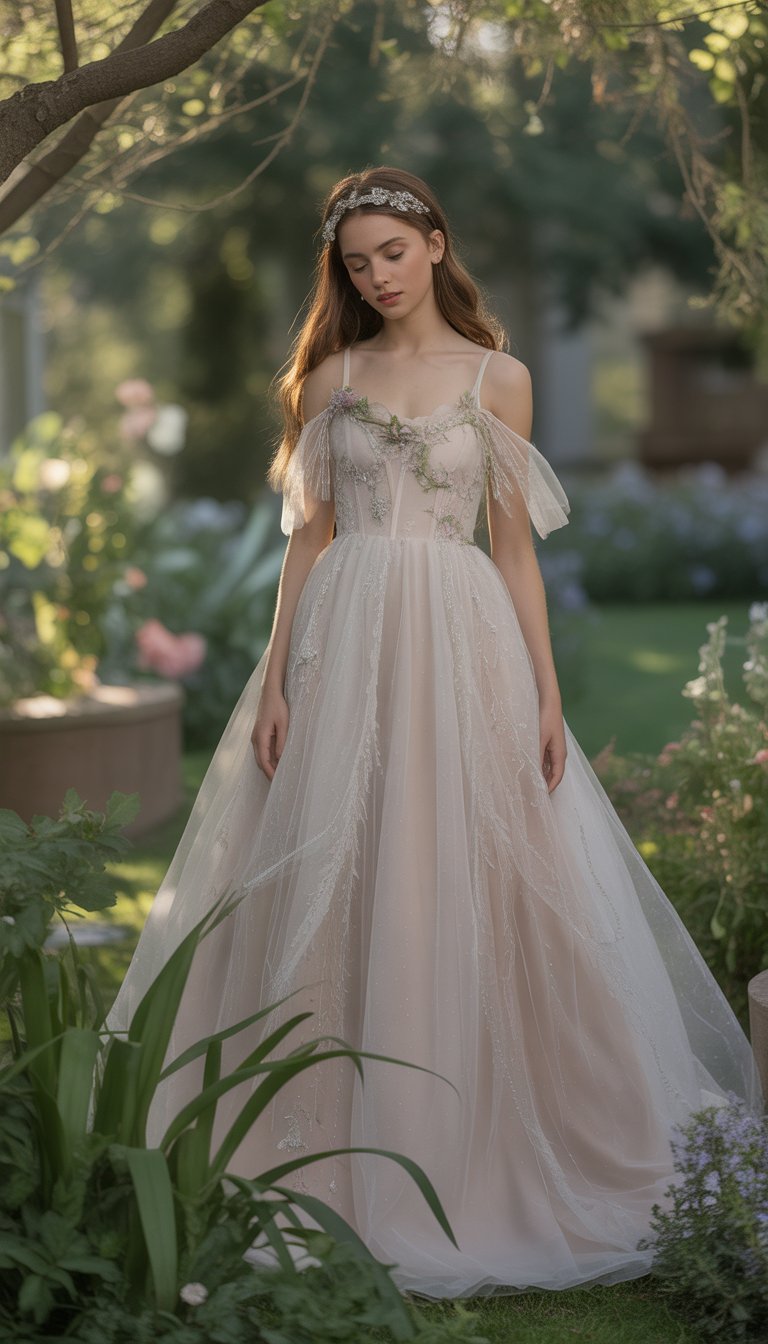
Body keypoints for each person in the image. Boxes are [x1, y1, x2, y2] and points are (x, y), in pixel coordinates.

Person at [106, 166, 762, 1301]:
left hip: (461, 642)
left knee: (478, 860)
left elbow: (514, 548)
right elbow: (306, 544)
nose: (376, 275)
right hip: (343, 638)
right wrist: (272, 681)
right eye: (356, 263)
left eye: (392, 254)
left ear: (435, 245)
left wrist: (548, 696)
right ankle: (312, 1129)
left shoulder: (497, 380)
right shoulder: (328, 382)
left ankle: (497, 1128)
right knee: (332, 855)